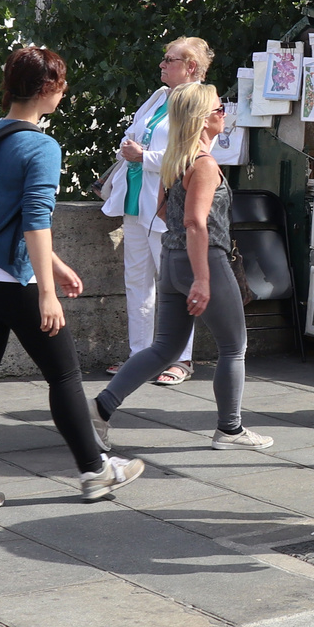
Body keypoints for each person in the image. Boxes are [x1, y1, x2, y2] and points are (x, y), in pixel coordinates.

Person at [0, 47, 145, 510]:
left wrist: (55, 264)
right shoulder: (42, 146)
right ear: (47, 89)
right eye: (62, 85)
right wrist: (47, 293)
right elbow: (33, 220)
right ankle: (96, 471)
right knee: (65, 376)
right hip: (16, 285)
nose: (64, 94)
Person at [92, 84, 272, 452]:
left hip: (172, 258)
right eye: (220, 109)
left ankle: (99, 409)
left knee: (164, 349)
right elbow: (195, 223)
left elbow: (163, 212)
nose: (224, 114)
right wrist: (203, 278)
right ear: (204, 119)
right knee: (233, 346)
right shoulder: (204, 165)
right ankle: (230, 430)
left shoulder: (174, 160)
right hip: (203, 261)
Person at [98, 38, 211, 386]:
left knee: (175, 283)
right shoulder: (159, 97)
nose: (161, 65)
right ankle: (140, 356)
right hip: (135, 201)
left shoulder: (199, 100)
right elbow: (133, 135)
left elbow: (193, 158)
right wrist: (133, 149)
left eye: (169, 60)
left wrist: (142, 156)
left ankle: (182, 358)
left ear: (190, 67)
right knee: (137, 282)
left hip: (168, 206)